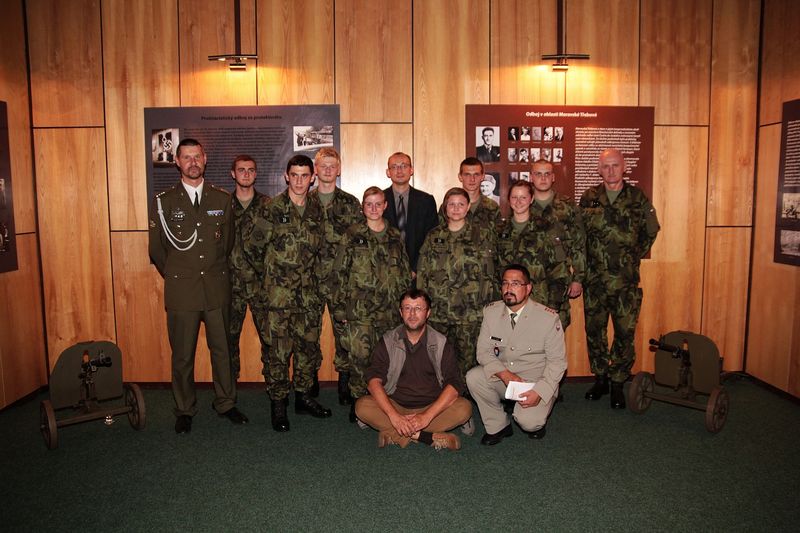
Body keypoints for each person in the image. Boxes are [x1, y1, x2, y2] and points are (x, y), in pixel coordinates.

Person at [148, 138, 248, 434]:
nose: (192, 162)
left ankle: (226, 403)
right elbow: (157, 251)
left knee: (223, 350)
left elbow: (227, 243)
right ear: (177, 162)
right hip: (182, 290)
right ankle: (184, 408)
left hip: (216, 288)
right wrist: (182, 274)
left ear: (205, 160)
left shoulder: (221, 199)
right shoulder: (164, 202)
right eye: (186, 157)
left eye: (197, 156)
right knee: (182, 354)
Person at [244, 155, 332, 432]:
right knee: (278, 353)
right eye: (294, 175)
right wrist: (274, 278)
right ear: (286, 176)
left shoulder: (318, 210)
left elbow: (324, 250)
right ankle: (278, 403)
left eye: (304, 176)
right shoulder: (272, 208)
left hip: (309, 298)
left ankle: (303, 397)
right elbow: (252, 248)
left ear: (313, 178)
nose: (299, 181)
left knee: (308, 349)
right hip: (278, 299)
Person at [580, 148, 660, 409]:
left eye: (615, 165)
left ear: (624, 167)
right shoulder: (590, 197)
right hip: (595, 281)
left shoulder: (637, 198)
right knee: (595, 331)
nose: (611, 170)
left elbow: (651, 230)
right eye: (606, 166)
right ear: (599, 169)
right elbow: (580, 232)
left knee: (625, 333)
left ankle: (618, 382)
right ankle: (601, 377)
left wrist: (631, 254)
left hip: (625, 281)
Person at [355, 289, 472, 450]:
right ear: (400, 312)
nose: (412, 314)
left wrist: (426, 417)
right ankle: (426, 437)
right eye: (407, 308)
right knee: (362, 407)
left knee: (464, 408)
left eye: (418, 308)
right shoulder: (388, 341)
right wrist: (394, 416)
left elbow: (454, 384)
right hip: (396, 404)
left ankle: (393, 434)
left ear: (428, 313)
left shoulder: (441, 342)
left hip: (431, 407)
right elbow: (373, 380)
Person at [331, 187, 411, 422]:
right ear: (362, 207)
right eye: (369, 204)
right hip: (360, 312)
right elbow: (339, 273)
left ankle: (384, 403)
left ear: (385, 206)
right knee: (360, 359)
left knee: (387, 359)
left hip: (389, 312)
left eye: (378, 204)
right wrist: (339, 308)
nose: (374, 209)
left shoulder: (395, 235)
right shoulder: (352, 234)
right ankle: (358, 404)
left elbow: (405, 272)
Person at [466, 264, 566, 444]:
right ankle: (498, 425)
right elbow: (483, 352)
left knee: (530, 423)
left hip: (534, 381)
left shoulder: (548, 318)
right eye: (505, 284)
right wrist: (504, 374)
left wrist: (540, 391)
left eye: (515, 284)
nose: (509, 289)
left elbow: (557, 362)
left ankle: (537, 416)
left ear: (528, 288)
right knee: (474, 377)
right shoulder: (491, 312)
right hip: (505, 377)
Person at [417, 187, 497, 379]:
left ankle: (463, 401)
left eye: (461, 204)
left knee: (467, 361)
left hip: (469, 313)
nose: (455, 208)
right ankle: (438, 398)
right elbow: (422, 273)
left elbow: (493, 273)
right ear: (445, 208)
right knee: (436, 358)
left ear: (468, 206)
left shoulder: (483, 235)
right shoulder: (433, 236)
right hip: (438, 311)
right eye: (451, 204)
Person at [308, 148, 362, 405]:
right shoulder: (304, 201)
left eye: (333, 166)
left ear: (339, 169)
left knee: (345, 333)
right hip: (309, 280)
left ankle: (345, 382)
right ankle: (308, 381)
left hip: (342, 281)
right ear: (315, 170)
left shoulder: (350, 203)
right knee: (308, 332)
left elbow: (358, 243)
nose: (328, 170)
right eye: (323, 166)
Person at [496, 179, 573, 326]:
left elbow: (560, 271)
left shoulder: (548, 229)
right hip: (510, 306)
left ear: (531, 199)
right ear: (509, 200)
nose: (518, 202)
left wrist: (552, 308)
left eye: (523, 197)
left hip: (542, 303)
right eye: (514, 197)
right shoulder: (500, 230)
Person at [527, 159, 586, 329]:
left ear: (553, 177)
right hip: (530, 283)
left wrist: (578, 279)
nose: (543, 178)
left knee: (556, 335)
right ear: (531, 177)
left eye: (547, 174)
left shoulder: (567, 206)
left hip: (558, 282)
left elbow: (579, 244)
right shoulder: (523, 204)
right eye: (538, 174)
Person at [227, 155, 270, 381]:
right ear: (233, 174)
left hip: (260, 285)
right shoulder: (222, 204)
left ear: (256, 174)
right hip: (229, 285)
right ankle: (228, 391)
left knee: (270, 339)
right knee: (228, 340)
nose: (246, 174)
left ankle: (275, 392)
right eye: (241, 170)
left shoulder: (268, 205)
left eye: (250, 170)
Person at [382, 152, 438, 277]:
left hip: (419, 272)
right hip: (385, 270)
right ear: (388, 172)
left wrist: (416, 268)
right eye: (394, 167)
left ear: (411, 170)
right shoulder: (379, 200)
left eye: (404, 166)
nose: (399, 170)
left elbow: (431, 237)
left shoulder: (426, 201)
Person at [437, 157, 501, 227]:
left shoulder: (492, 207)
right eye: (467, 175)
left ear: (482, 177)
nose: (472, 179)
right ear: (460, 177)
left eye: (476, 174)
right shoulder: (448, 207)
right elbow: (439, 233)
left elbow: (498, 235)